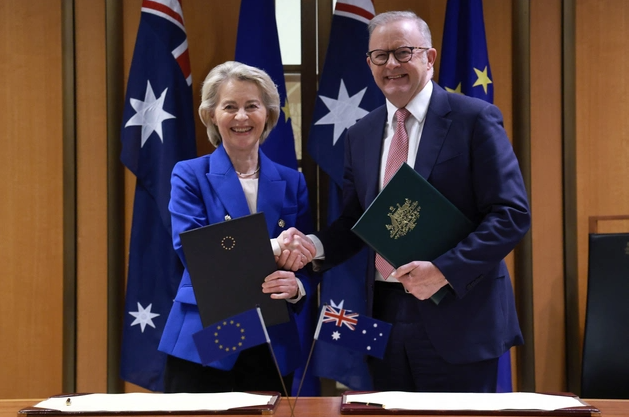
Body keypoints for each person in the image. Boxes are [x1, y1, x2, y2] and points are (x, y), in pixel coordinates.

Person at [277, 11, 531, 392]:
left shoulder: (474, 119)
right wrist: (313, 247)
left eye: (403, 52)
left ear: (429, 58)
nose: (391, 65)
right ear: (369, 64)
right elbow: (356, 222)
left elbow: (511, 214)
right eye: (380, 56)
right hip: (383, 316)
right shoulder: (360, 134)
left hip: (460, 314)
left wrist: (443, 270)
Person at [158, 61, 314, 393]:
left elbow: (306, 261)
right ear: (212, 115)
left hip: (271, 341)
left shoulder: (292, 181)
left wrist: (296, 286)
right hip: (206, 339)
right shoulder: (189, 175)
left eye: (252, 106)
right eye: (230, 107)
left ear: (268, 114)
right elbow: (195, 252)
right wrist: (275, 247)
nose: (241, 117)